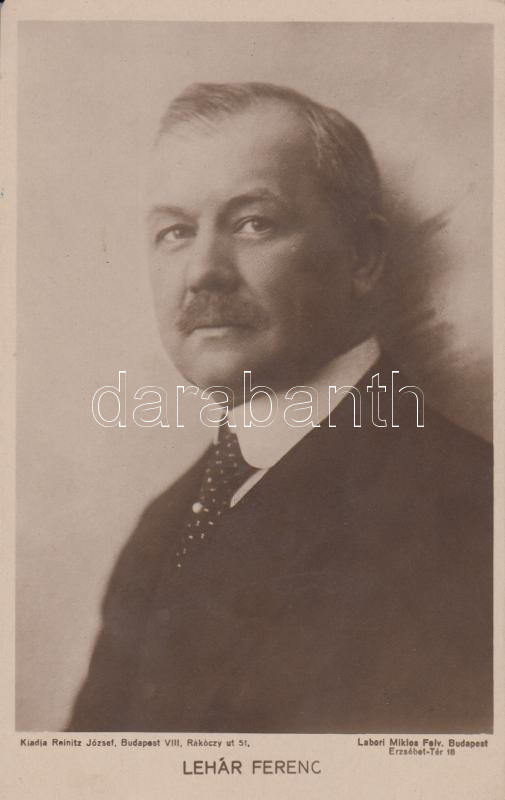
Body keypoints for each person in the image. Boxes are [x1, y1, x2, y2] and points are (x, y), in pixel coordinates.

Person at [68, 83, 492, 733]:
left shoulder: (469, 507)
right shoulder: (164, 528)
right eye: (175, 232)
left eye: (253, 223)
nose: (203, 271)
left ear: (361, 256)